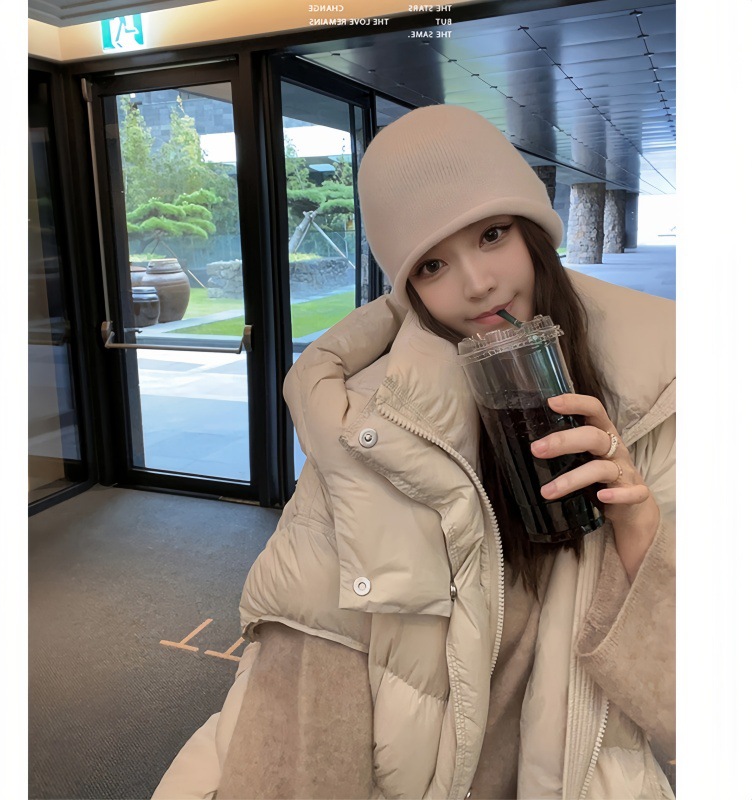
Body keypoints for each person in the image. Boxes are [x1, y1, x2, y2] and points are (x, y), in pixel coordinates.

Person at [152, 104, 675, 799]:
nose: (477, 283)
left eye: (492, 234)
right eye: (432, 264)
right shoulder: (371, 433)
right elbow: (305, 686)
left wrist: (640, 532)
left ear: (534, 232)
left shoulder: (663, 401)